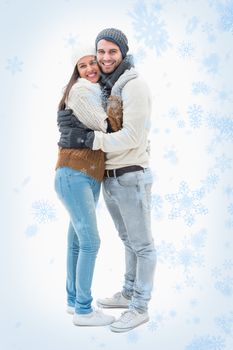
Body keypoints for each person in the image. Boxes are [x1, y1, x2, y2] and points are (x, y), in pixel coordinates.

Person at [58, 28, 157, 333]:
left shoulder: (134, 85)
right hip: (110, 177)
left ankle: (139, 306)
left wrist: (89, 140)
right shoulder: (104, 87)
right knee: (127, 241)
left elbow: (130, 136)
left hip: (131, 174)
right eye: (100, 52)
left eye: (112, 52)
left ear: (123, 53)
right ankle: (128, 292)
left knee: (142, 245)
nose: (104, 58)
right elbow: (91, 112)